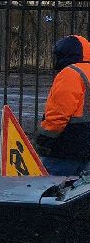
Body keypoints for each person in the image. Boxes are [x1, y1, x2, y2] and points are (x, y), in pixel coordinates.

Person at [35, 34, 90, 177]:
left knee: (50, 188)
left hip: (67, 146)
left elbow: (59, 114)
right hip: (86, 149)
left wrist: (44, 140)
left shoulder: (71, 73)